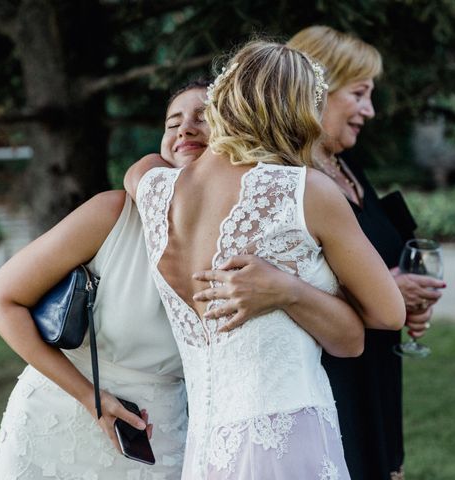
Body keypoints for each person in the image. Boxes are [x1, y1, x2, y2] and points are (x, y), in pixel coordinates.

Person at [128, 40, 405, 479]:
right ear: (298, 113)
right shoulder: (303, 191)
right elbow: (390, 313)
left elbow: (139, 171)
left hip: (207, 449)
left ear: (223, 98)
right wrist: (293, 291)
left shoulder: (154, 188)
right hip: (288, 438)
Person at [0, 83, 212, 480]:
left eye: (203, 118)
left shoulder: (244, 234)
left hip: (160, 436)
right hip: (58, 420)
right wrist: (92, 399)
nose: (185, 130)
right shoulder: (114, 213)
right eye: (174, 123)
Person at [287, 26, 446, 480]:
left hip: (378, 370)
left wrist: (405, 303)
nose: (369, 111)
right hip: (330, 379)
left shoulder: (349, 170)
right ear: (318, 88)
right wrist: (384, 292)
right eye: (360, 94)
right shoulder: (288, 180)